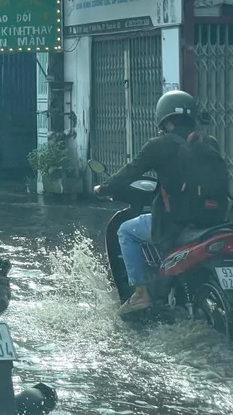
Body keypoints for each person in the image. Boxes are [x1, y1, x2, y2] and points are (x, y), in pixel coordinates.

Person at [95, 90, 229, 317]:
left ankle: (140, 294)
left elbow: (128, 174)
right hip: (213, 222)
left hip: (175, 224)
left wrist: (102, 189)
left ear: (165, 121)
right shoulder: (210, 143)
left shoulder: (158, 145)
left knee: (126, 230)